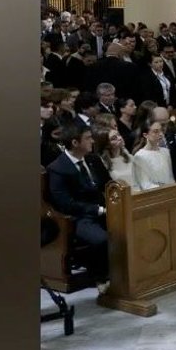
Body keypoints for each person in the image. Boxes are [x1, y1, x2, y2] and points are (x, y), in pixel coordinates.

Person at [44, 123, 110, 288]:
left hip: (105, 209)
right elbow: (66, 204)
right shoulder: (58, 168)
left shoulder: (93, 159)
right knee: (101, 239)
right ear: (75, 142)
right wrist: (97, 210)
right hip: (79, 217)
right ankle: (102, 279)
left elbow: (108, 185)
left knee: (130, 228)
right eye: (88, 138)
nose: (92, 141)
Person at [132, 120, 176, 190]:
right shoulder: (140, 156)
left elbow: (171, 177)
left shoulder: (165, 152)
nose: (161, 134)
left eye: (161, 130)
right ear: (145, 135)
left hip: (170, 191)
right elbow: (145, 184)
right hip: (153, 193)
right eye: (156, 131)